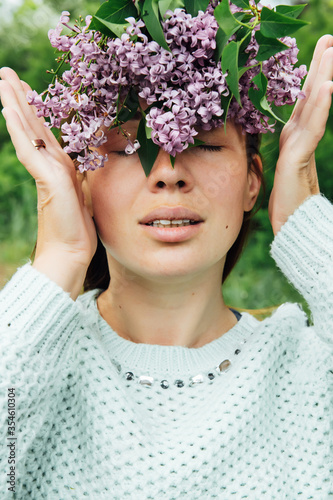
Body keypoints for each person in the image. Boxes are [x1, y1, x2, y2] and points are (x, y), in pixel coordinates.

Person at [0, 1, 332, 497]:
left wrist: (303, 216)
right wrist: (61, 256)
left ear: (252, 183)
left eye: (206, 142)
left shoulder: (309, 375)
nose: (168, 171)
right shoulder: (29, 365)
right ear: (82, 183)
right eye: (129, 147)